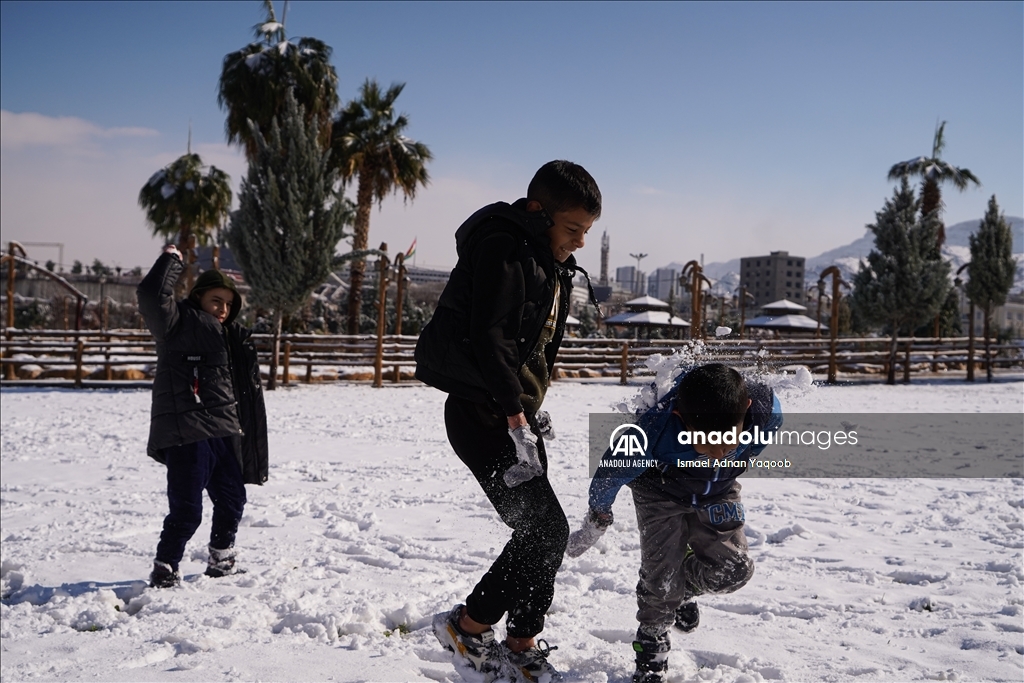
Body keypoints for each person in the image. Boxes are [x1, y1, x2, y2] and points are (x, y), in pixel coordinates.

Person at [415, 160, 602, 681]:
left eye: (587, 232)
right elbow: (490, 336)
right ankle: (467, 628)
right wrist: (514, 413)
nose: (580, 242)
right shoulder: (504, 246)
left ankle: (521, 643)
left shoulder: (543, 258)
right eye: (573, 229)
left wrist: (526, 413)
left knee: (544, 532)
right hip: (484, 416)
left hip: (514, 417)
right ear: (538, 211)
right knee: (544, 531)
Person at [566, 363, 782, 683]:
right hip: (659, 493)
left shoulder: (766, 414)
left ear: (746, 408)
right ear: (681, 418)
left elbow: (751, 446)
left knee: (734, 570)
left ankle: (682, 590)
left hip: (717, 491)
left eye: (728, 441)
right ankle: (652, 646)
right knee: (662, 581)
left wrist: (729, 464)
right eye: (705, 442)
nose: (718, 451)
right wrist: (598, 518)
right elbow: (609, 475)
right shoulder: (653, 430)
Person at [137, 244, 268, 588]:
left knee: (232, 498)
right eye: (216, 301)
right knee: (187, 510)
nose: (223, 309)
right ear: (198, 298)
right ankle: (165, 567)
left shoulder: (232, 336)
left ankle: (221, 559)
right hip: (187, 430)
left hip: (223, 429)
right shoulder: (177, 323)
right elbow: (151, 295)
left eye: (229, 304)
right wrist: (171, 261)